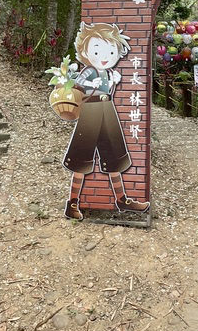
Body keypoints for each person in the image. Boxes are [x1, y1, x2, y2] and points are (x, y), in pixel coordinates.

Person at [62, 22, 150, 220]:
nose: (105, 57)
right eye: (97, 50)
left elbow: (107, 90)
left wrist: (112, 82)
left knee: (114, 156)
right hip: (90, 112)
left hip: (107, 110)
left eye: (111, 53)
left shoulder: (109, 73)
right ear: (85, 50)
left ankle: (122, 200)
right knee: (82, 158)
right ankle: (73, 203)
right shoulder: (88, 70)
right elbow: (77, 86)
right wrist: (89, 84)